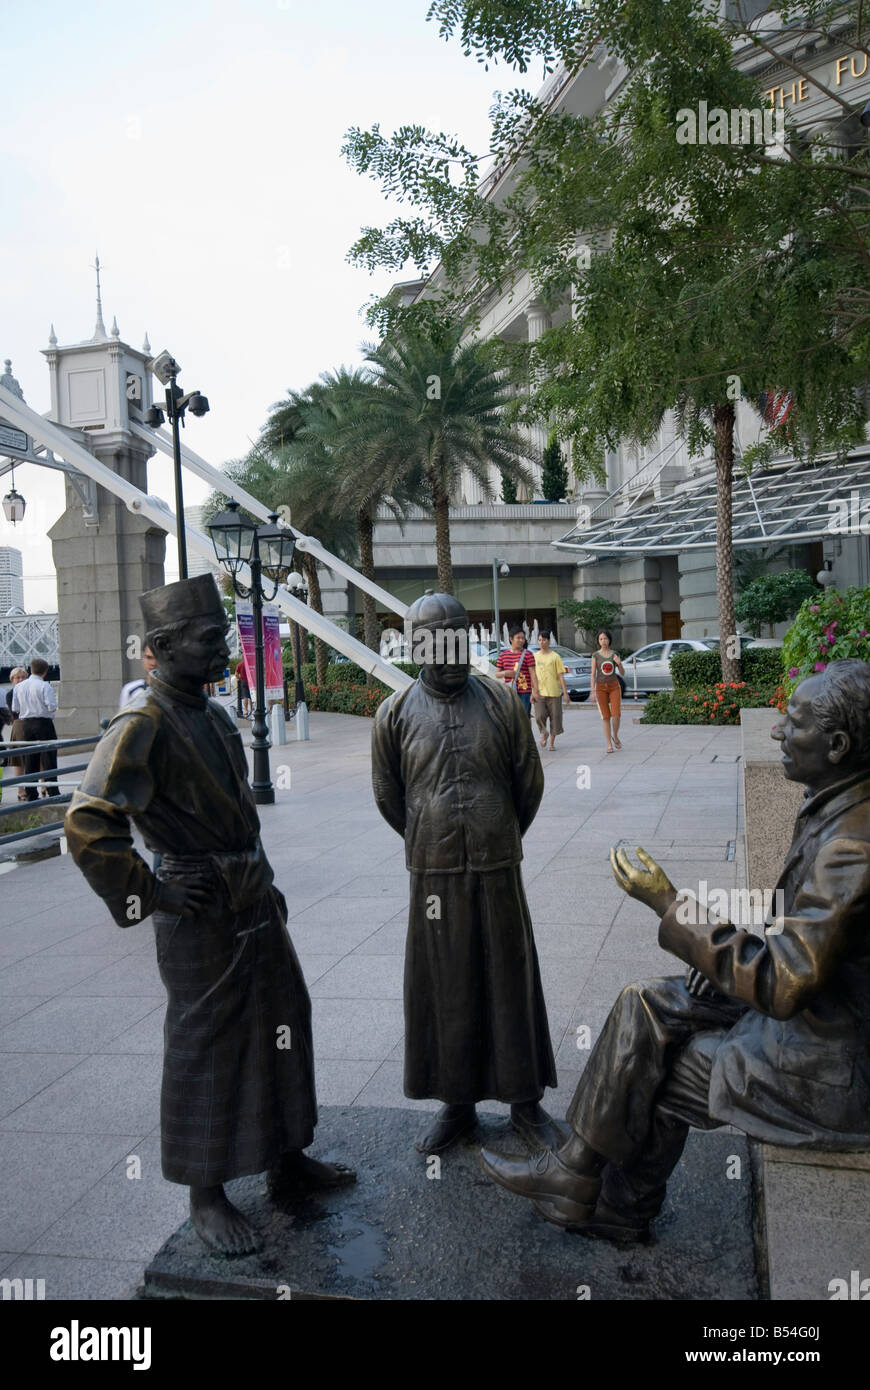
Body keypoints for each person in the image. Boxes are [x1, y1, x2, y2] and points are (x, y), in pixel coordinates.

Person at [479, 658, 870, 1244]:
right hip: (820, 1014)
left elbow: (788, 982)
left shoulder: (851, 845)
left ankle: (617, 1204)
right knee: (649, 1004)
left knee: (667, 1068)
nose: (775, 731)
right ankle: (574, 1174)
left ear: (837, 744)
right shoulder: (838, 802)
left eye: (793, 723)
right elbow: (808, 950)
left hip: (833, 1065)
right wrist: (721, 963)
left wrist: (669, 903)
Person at [65, 574, 355, 1256]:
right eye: (209, 637)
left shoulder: (210, 711)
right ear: (163, 647)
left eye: (223, 633)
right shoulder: (144, 723)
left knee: (284, 1019)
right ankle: (206, 1192)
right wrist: (152, 891)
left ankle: (286, 1158)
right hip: (198, 908)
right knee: (208, 1045)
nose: (225, 646)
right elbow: (86, 823)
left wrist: (264, 882)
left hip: (251, 896)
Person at [372, 591, 560, 1156]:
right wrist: (430, 833)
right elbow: (389, 797)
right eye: (434, 640)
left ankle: (525, 1103)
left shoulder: (502, 703)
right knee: (446, 983)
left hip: (497, 863)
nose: (448, 651)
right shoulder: (394, 714)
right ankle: (458, 1105)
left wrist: (496, 828)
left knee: (510, 977)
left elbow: (528, 783)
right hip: (434, 872)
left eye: (456, 636)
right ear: (417, 645)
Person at [11, 658, 59, 802]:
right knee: (48, 757)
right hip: (43, 723)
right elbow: (51, 706)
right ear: (45, 671)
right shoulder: (45, 686)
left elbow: (15, 709)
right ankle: (53, 791)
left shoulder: (19, 687)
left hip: (26, 724)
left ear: (30, 670)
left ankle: (31, 793)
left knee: (30, 758)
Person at [533, 630, 570, 751]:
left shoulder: (555, 656)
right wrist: (532, 691)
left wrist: (565, 693)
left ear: (548, 641)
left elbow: (560, 675)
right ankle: (544, 732)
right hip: (539, 692)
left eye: (544, 640)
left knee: (555, 718)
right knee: (539, 716)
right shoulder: (535, 656)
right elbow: (532, 675)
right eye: (539, 640)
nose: (541, 642)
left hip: (554, 692)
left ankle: (551, 743)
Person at [591, 629, 625, 753]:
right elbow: (593, 674)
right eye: (601, 639)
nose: (603, 641)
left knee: (616, 715)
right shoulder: (595, 655)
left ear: (609, 639)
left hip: (614, 686)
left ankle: (615, 736)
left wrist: (619, 663)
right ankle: (609, 744)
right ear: (598, 641)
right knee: (606, 717)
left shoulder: (614, 654)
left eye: (605, 638)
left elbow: (622, 673)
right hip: (600, 688)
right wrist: (592, 691)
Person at [495, 625, 539, 715]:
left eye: (523, 638)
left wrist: (535, 692)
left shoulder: (528, 654)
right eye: (518, 638)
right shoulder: (503, 655)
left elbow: (533, 675)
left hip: (525, 693)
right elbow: (497, 674)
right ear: (511, 639)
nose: (521, 640)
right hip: (509, 691)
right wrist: (506, 673)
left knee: (524, 717)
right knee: (511, 717)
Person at [3, 668, 29, 801]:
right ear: (12, 680)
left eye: (23, 677)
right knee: (19, 761)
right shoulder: (10, 694)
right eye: (17, 678)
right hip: (19, 726)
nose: (20, 680)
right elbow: (15, 713)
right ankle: (21, 790)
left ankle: (44, 786)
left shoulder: (31, 691)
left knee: (41, 757)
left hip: (32, 725)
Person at [119, 644, 157, 709]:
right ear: (143, 659)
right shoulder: (130, 689)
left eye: (157, 658)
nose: (153, 663)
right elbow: (123, 718)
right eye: (149, 657)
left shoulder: (173, 691)